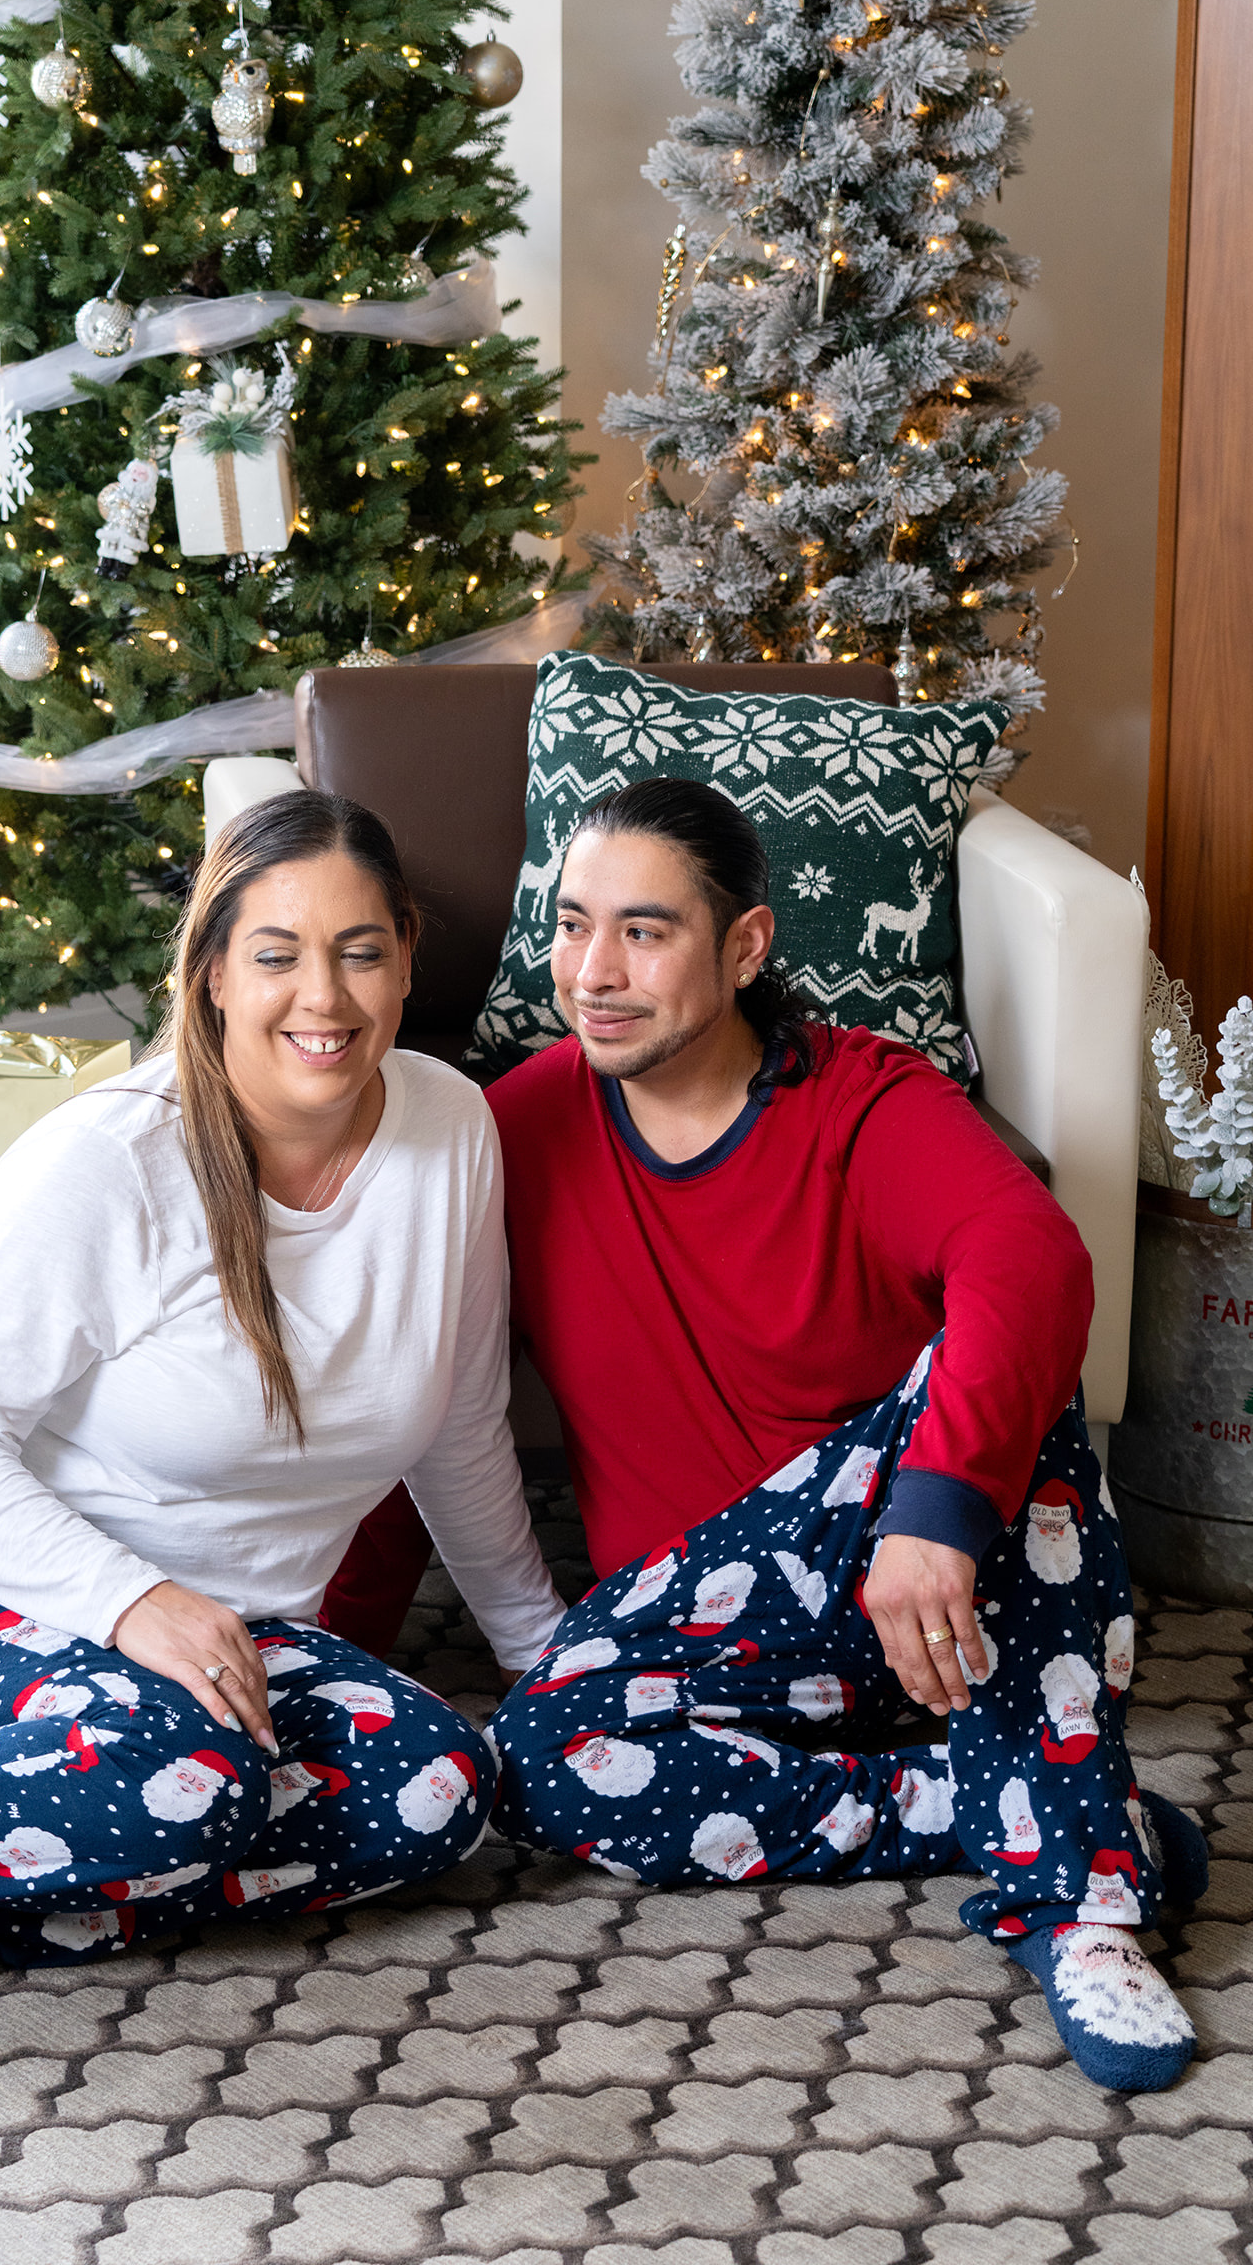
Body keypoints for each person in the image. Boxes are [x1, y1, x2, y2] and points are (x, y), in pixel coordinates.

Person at [326, 774, 1207, 2096]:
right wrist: (334, 1654)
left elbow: (1030, 1258)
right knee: (543, 1760)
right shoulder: (513, 1130)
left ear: (744, 946)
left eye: (644, 931)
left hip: (929, 1595)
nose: (594, 972)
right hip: (707, 1627)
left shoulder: (862, 1098)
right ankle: (1017, 1804)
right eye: (572, 926)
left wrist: (933, 1513)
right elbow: (418, 1397)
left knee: (1016, 1405)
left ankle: (1084, 1908)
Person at [0, 791, 565, 2062]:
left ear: (406, 958)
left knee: (439, 1790)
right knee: (196, 1780)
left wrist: (544, 1660)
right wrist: (135, 1600)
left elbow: (460, 1425)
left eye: (360, 951)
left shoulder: (450, 1126)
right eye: (277, 954)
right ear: (211, 973)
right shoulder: (108, 1159)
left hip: (227, 1639)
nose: (325, 996)